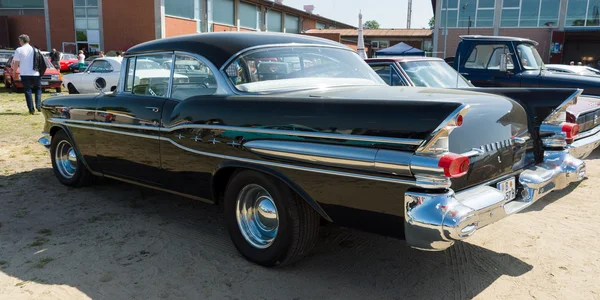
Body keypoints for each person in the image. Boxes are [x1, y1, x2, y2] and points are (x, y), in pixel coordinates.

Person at [12, 34, 41, 114]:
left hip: (25, 73)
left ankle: (31, 109)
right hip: (35, 73)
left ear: (22, 41)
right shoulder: (35, 49)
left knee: (28, 90)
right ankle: (38, 105)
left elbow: (16, 63)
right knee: (38, 89)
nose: (19, 42)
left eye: (19, 41)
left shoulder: (19, 50)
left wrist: (14, 72)